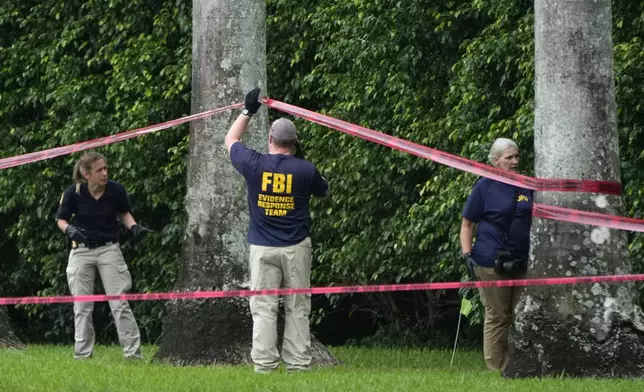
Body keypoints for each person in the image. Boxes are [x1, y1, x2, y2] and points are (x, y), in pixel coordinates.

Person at [225, 88, 329, 373]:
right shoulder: (306, 169)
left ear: (270, 139)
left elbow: (231, 139)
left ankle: (264, 365)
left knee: (264, 308)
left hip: (262, 247)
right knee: (297, 307)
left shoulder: (254, 163)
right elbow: (324, 190)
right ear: (294, 143)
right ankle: (297, 364)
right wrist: (306, 163)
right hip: (296, 248)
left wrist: (248, 110)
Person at [56, 152, 150, 360]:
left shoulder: (116, 190)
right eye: (99, 170)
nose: (105, 173)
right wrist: (69, 230)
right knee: (82, 306)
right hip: (80, 250)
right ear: (86, 173)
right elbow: (61, 220)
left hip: (109, 249)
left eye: (106, 168)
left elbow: (124, 213)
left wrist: (134, 227)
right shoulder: (73, 192)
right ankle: (82, 356)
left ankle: (133, 355)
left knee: (120, 302)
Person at [459, 138, 533, 372]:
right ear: (495, 161)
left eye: (517, 156)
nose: (515, 161)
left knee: (520, 315)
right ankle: (496, 368)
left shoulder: (527, 184)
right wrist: (467, 254)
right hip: (491, 261)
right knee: (498, 315)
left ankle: (517, 365)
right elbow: (467, 224)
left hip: (521, 261)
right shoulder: (484, 186)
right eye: (509, 157)